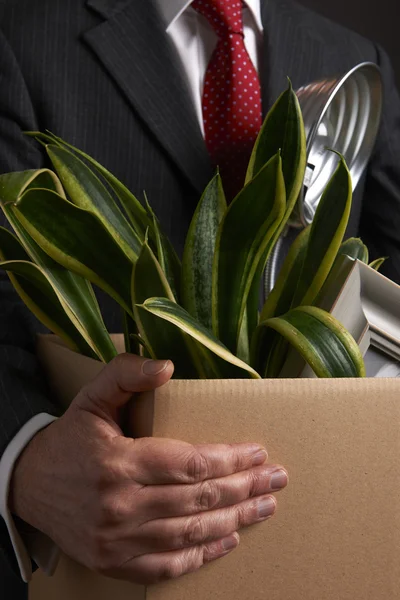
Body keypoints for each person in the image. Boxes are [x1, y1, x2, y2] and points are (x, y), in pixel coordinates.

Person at [0, 0, 399, 596]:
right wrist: (25, 460)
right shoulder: (21, 38)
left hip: (317, 546)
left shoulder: (354, 59)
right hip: (102, 571)